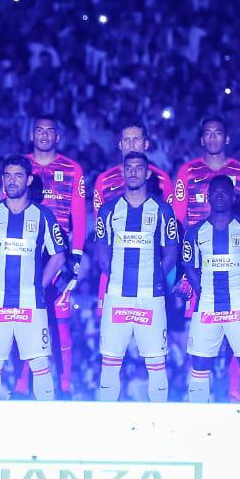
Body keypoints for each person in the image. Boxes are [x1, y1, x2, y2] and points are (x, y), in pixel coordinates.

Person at [174, 117, 240, 400]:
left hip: (236, 268)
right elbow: (177, 222)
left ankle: (237, 396)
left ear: (227, 138)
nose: (212, 138)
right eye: (207, 134)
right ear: (201, 140)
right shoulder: (187, 172)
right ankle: (201, 408)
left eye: (218, 133)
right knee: (200, 349)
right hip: (201, 269)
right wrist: (186, 276)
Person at [0, 156, 69, 401]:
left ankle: (48, 423)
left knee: (40, 363)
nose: (12, 181)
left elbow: (59, 256)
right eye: (7, 175)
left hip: (31, 302)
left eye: (18, 175)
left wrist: (39, 285)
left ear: (29, 179)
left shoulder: (43, 216)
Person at [94, 152, 180, 402]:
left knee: (156, 363)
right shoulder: (108, 210)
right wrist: (119, 276)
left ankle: (158, 422)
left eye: (138, 168)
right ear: (122, 172)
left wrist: (154, 278)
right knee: (109, 363)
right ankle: (107, 421)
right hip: (117, 296)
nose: (133, 172)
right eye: (128, 168)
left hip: (150, 297)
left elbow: (172, 252)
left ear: (148, 173)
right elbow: (102, 256)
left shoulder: (163, 210)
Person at [181, 174, 240, 403]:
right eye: (215, 192)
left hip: (239, 306)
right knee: (199, 369)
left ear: (233, 196)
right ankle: (198, 426)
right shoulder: (194, 232)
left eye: (225, 191)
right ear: (208, 197)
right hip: (207, 306)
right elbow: (189, 266)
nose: (220, 195)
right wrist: (203, 292)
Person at [22, 115, 87, 395]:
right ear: (31, 135)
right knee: (22, 318)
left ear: (58, 137)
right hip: (25, 253)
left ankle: (64, 384)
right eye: (39, 131)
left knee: (59, 320)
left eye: (50, 131)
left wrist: (75, 257)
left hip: (59, 256)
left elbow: (80, 217)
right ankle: (22, 384)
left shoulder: (72, 169)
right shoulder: (21, 167)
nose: (45, 136)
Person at [91, 122, 176, 214]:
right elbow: (99, 220)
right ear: (120, 145)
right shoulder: (104, 180)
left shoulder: (163, 179)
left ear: (146, 144)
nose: (131, 144)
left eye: (136, 139)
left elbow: (170, 217)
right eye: (127, 140)